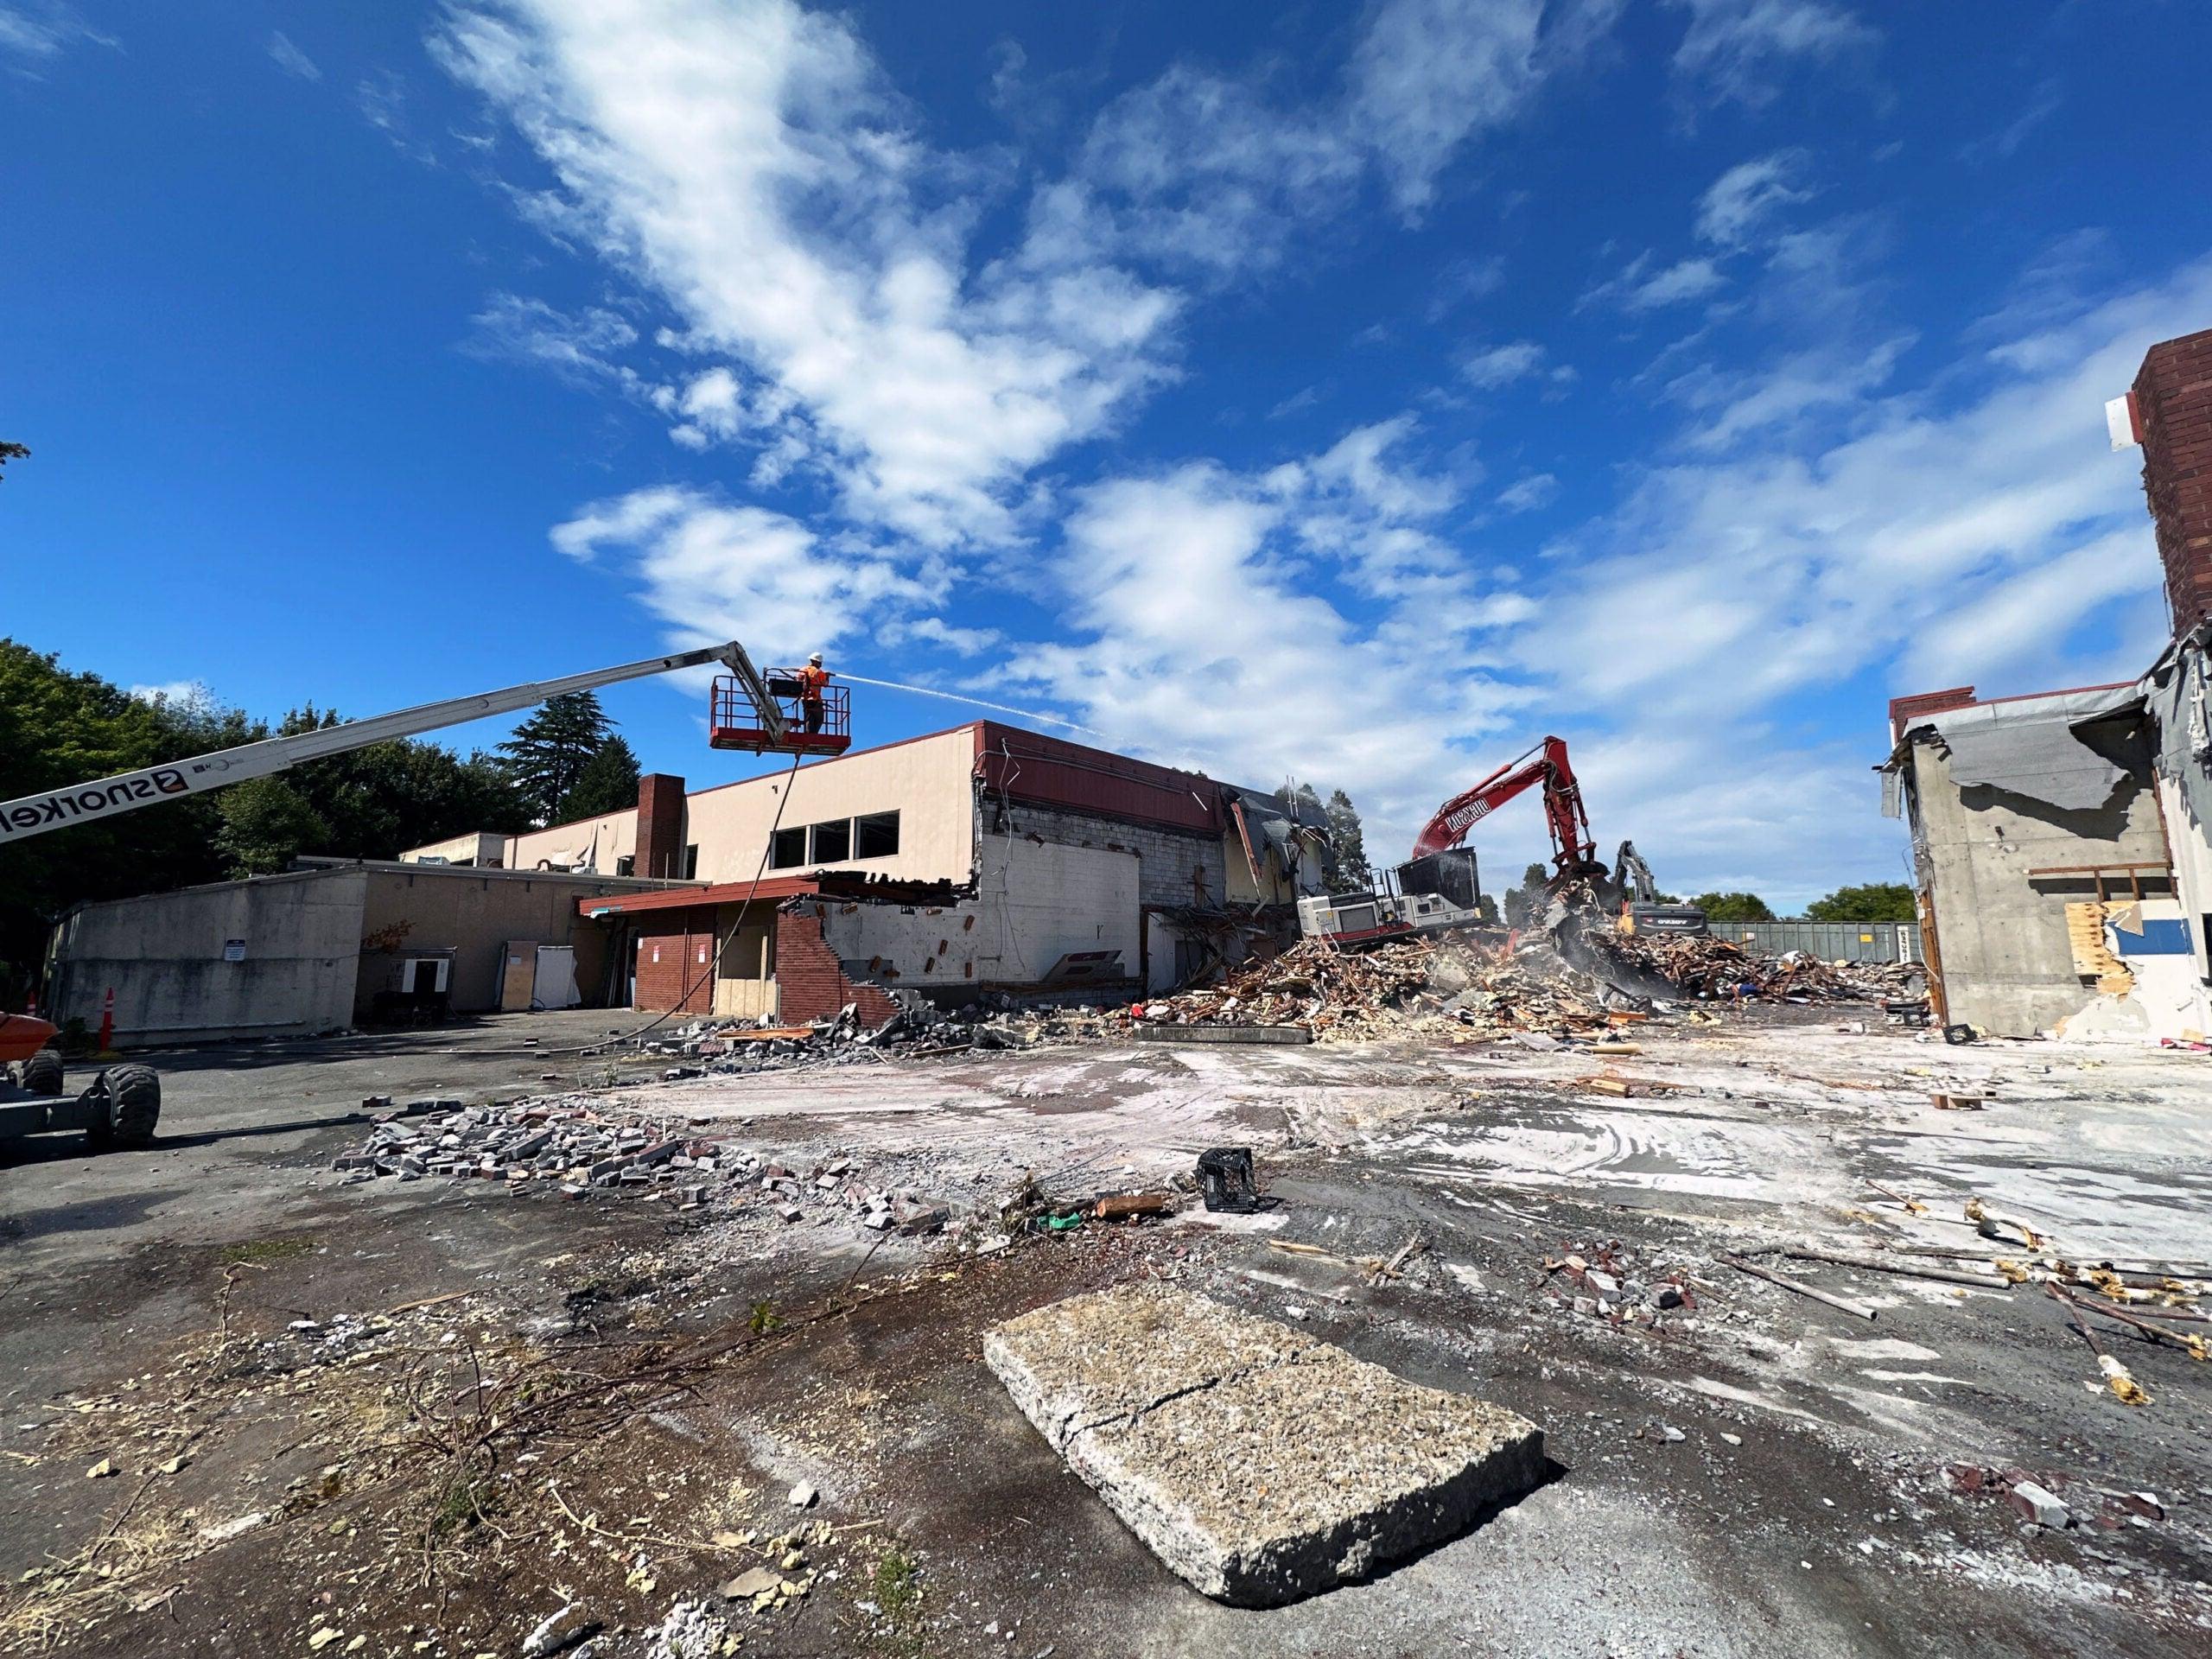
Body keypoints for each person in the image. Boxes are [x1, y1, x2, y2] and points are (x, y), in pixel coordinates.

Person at [794, 652, 831, 734]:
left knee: (809, 718)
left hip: (804, 698)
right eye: (820, 663)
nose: (821, 665)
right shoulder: (818, 672)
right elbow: (825, 684)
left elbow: (798, 681)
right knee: (819, 719)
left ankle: (810, 734)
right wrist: (827, 676)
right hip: (814, 698)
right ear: (815, 661)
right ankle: (812, 735)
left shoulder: (802, 670)